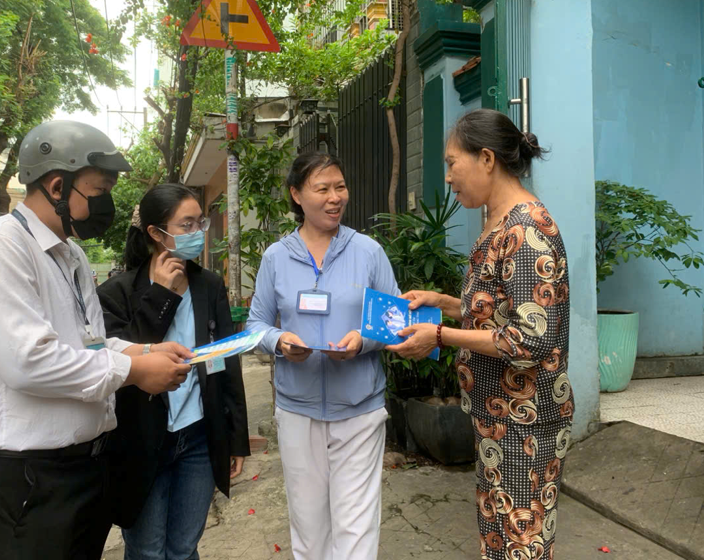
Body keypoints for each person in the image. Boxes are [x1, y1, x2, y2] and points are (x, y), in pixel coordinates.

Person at [0, 121, 194, 560]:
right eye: (99, 191)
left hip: (82, 471)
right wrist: (136, 370)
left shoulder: (71, 254)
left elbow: (90, 345)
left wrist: (144, 351)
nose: (106, 204)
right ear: (57, 185)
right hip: (25, 479)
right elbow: (29, 361)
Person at [387, 109, 574, 560]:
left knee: (521, 545)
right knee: (498, 540)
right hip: (497, 417)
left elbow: (528, 340)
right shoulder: (496, 222)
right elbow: (496, 310)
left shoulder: (525, 230)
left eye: (452, 163)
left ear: (486, 159)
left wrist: (440, 335)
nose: (448, 177)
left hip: (526, 422)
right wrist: (444, 302)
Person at [247, 152, 399, 560]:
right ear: (297, 195)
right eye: (323, 189)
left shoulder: (368, 252)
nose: (335, 198)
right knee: (309, 529)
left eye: (340, 187)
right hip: (298, 410)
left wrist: (362, 341)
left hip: (360, 410)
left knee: (356, 529)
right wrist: (279, 341)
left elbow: (397, 319)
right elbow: (255, 324)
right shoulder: (276, 257)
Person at [97, 184, 250, 560]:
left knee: (183, 548)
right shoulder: (116, 293)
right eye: (186, 225)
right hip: (142, 442)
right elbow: (121, 362)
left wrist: (235, 438)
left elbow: (226, 361)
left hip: (198, 438)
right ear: (155, 232)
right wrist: (162, 295)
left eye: (200, 223)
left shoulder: (209, 285)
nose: (198, 232)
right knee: (147, 551)